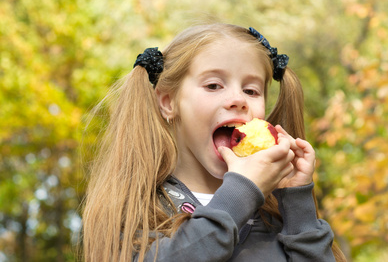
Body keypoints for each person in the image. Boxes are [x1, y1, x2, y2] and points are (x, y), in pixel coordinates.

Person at [82, 23, 346, 261]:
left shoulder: (277, 215)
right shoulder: (141, 211)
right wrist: (240, 194)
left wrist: (296, 202)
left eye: (251, 90)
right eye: (213, 86)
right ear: (168, 102)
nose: (238, 99)